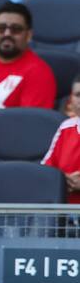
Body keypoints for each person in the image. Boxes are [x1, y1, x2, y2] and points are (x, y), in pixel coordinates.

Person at [42, 74, 80, 204]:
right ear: (71, 99)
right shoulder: (66, 127)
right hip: (64, 215)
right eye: (78, 95)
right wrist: (61, 180)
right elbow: (45, 171)